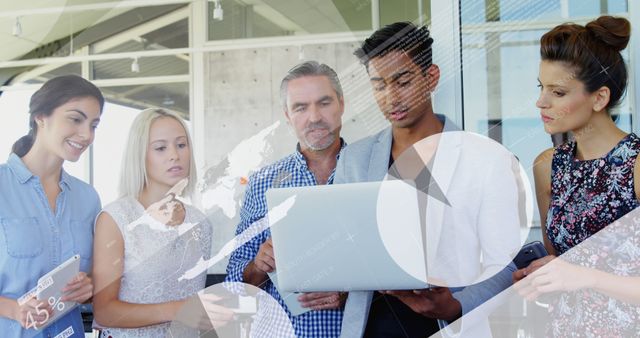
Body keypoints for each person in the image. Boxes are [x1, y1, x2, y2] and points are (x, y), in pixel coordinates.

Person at [336, 22, 522, 337]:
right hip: (373, 327)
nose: (391, 97)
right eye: (379, 85)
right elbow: (340, 246)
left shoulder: (484, 160)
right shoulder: (355, 159)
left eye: (403, 82)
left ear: (431, 77)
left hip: (449, 324)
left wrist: (454, 307)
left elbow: (505, 266)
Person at [513, 15, 640, 336]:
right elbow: (560, 262)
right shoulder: (547, 166)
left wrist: (586, 276)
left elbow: (578, 272)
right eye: (542, 88)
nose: (540, 102)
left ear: (599, 98)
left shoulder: (636, 164)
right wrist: (543, 272)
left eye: (558, 92)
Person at [225, 60, 348, 337]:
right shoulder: (263, 182)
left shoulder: (370, 172)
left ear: (341, 103)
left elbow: (394, 269)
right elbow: (235, 280)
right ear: (287, 115)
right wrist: (258, 266)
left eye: (324, 103)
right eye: (300, 107)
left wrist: (352, 292)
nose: (314, 116)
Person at [92, 108, 229, 337]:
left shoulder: (200, 222)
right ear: (139, 155)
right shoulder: (116, 218)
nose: (174, 155)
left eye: (181, 145)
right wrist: (177, 310)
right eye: (160, 148)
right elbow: (104, 311)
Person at [0, 75, 104, 338]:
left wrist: (88, 286)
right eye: (75, 119)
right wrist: (14, 309)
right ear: (41, 117)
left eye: (94, 125)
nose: (86, 135)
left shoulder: (88, 198)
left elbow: (93, 274)